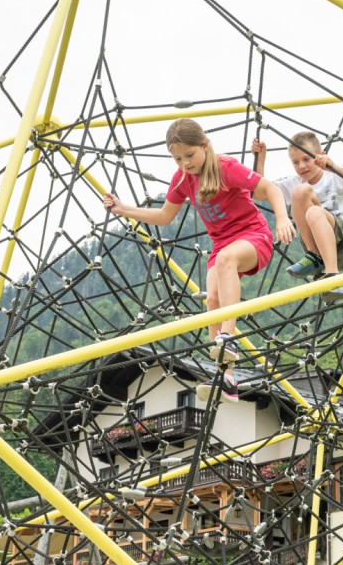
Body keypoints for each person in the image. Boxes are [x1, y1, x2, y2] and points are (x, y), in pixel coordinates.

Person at [103, 118, 295, 402]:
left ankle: (228, 340)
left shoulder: (225, 167)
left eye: (190, 155)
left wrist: (282, 218)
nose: (185, 163)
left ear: (205, 145)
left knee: (225, 261)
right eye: (178, 159)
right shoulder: (182, 179)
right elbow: (164, 216)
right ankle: (226, 378)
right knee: (212, 300)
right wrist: (124, 209)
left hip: (254, 237)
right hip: (222, 246)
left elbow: (270, 189)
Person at [251, 131, 343, 301]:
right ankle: (315, 256)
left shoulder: (332, 176)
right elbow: (258, 193)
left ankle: (332, 275)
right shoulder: (295, 183)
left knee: (313, 211)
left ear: (320, 156)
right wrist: (260, 159)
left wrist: (333, 167)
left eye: (306, 159)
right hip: (318, 245)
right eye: (295, 162)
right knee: (300, 192)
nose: (301, 166)